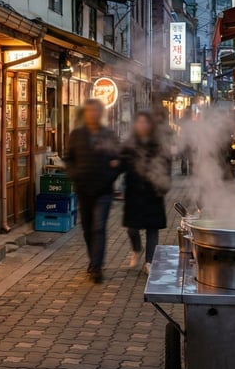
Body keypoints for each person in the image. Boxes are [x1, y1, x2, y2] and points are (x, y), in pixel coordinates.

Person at [65, 99, 120, 284]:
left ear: (101, 113)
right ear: (85, 113)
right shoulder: (77, 135)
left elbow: (118, 160)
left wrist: (110, 175)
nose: (92, 114)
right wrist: (75, 175)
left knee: (99, 228)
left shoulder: (108, 135)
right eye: (89, 111)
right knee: (87, 229)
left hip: (103, 190)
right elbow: (69, 158)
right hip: (83, 189)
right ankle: (93, 261)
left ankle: (96, 267)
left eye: (96, 111)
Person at [122, 112, 170, 274]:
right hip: (134, 191)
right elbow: (122, 163)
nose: (142, 125)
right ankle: (137, 248)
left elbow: (166, 164)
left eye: (145, 122)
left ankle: (149, 261)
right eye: (139, 122)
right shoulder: (130, 144)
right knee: (132, 228)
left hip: (153, 190)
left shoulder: (158, 144)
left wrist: (164, 184)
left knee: (152, 228)